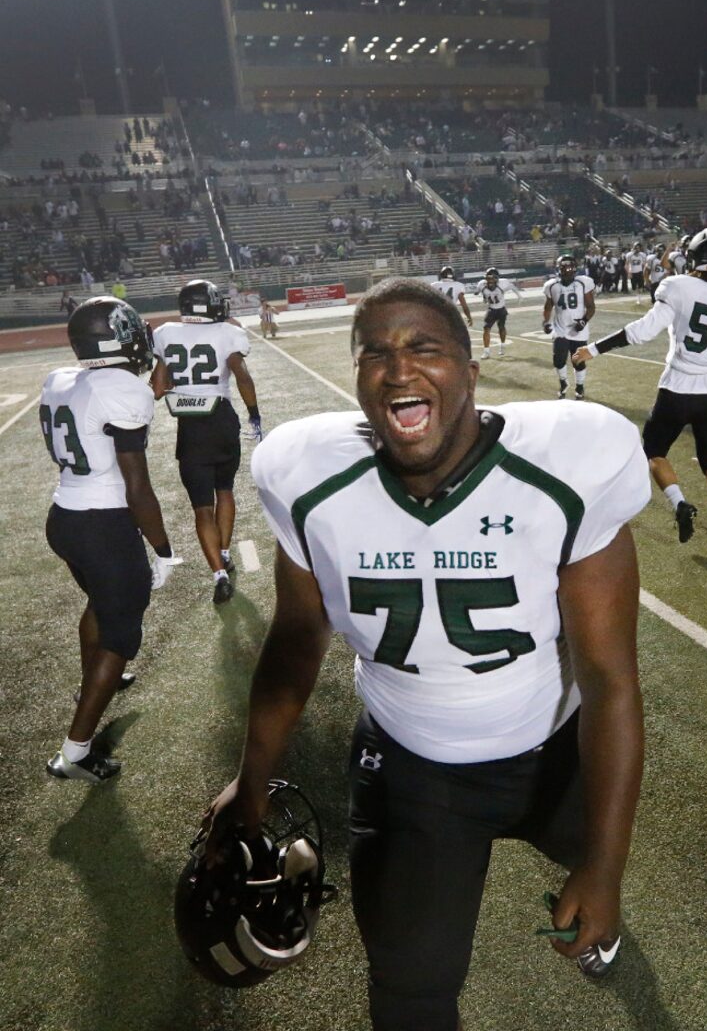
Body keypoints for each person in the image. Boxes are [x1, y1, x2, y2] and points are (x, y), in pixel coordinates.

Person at [202, 278, 651, 1031]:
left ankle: (593, 882)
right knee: (408, 991)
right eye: (374, 351)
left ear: (470, 373)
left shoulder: (568, 464)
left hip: (554, 754)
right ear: (357, 379)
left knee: (594, 867)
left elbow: (610, 680)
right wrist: (249, 779)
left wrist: (606, 870)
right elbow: (294, 640)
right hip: (413, 768)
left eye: (424, 347)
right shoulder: (309, 478)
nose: (398, 368)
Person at [40, 297, 180, 783]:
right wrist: (162, 549)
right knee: (121, 633)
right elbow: (138, 487)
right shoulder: (122, 390)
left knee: (100, 604)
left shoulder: (60, 379)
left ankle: (96, 683)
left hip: (64, 516)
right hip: (104, 524)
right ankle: (75, 754)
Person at [574, 228, 707, 544]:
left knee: (655, 452)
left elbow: (642, 332)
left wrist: (593, 349)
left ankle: (680, 503)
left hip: (676, 389)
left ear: (698, 256)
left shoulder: (678, 286)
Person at [150, 279, 261, 604]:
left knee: (202, 508)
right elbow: (242, 376)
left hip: (191, 429)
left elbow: (157, 390)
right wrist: (254, 413)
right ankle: (225, 552)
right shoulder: (228, 331)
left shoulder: (166, 333)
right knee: (224, 491)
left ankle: (219, 574)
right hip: (222, 421)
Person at [542, 253, 596, 400]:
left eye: (570, 267)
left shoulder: (583, 283)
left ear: (575, 269)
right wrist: (546, 322)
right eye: (564, 268)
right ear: (558, 269)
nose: (567, 270)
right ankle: (563, 383)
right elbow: (548, 307)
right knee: (558, 360)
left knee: (578, 360)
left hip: (579, 329)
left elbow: (591, 307)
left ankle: (579, 386)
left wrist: (584, 321)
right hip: (560, 328)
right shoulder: (551, 285)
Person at [473, 265, 521, 359]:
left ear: (497, 278)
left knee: (501, 328)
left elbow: (512, 286)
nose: (490, 280)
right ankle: (486, 351)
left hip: (501, 309)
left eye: (492, 278)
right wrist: (479, 293)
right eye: (488, 278)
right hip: (491, 309)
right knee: (486, 328)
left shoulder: (503, 283)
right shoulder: (482, 284)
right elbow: (478, 290)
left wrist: (519, 296)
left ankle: (502, 345)